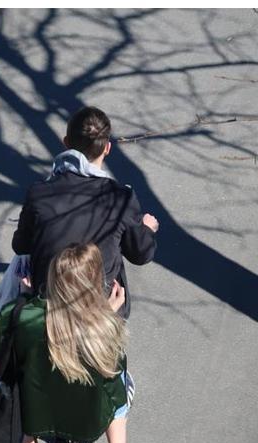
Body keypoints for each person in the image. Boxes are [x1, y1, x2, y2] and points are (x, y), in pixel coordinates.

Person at [0, 243, 152, 443]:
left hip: (32, 410)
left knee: (27, 373)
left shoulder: (22, 315)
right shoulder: (103, 325)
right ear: (95, 281)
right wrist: (108, 314)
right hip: (88, 418)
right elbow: (112, 382)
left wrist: (24, 300)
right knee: (122, 379)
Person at [12, 106, 159, 319]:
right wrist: (146, 229)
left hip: (49, 301)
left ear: (65, 142)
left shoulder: (39, 192)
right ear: (107, 148)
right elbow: (140, 254)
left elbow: (20, 245)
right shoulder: (121, 197)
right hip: (101, 305)